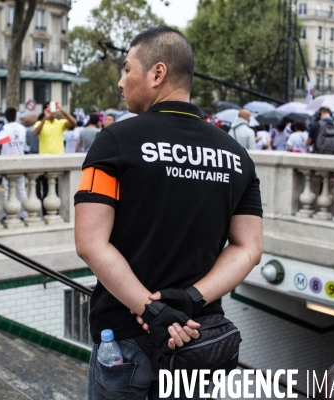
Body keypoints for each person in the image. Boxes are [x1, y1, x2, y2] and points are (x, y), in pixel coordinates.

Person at [74, 26, 263, 399]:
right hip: (197, 338)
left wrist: (151, 309)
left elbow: (89, 243)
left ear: (157, 74)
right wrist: (192, 297)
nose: (119, 81)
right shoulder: (236, 156)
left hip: (125, 337)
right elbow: (248, 248)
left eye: (127, 69)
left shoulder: (115, 141)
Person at [0, 107, 28, 219]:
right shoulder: (22, 128)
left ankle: (8, 214)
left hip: (7, 161)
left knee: (7, 189)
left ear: (5, 117)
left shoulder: (3, 129)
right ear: (16, 116)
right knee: (21, 189)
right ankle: (25, 214)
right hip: (20, 160)